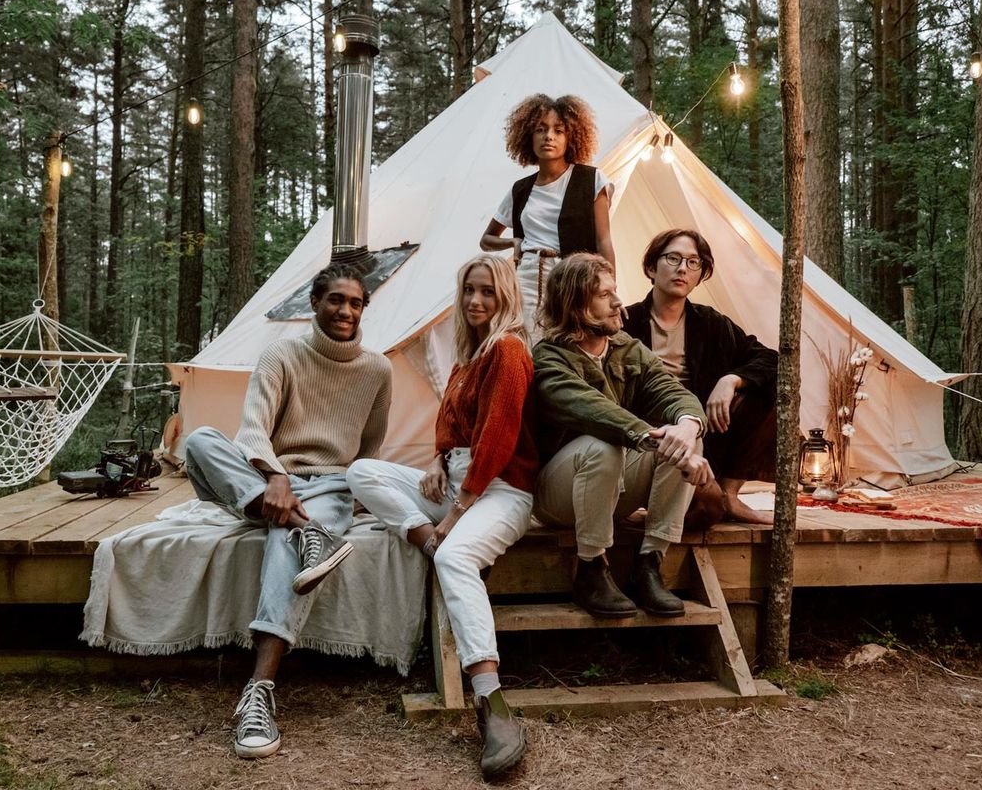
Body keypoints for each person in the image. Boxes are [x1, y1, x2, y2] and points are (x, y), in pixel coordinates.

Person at [182, 263, 392, 759]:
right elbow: (253, 429)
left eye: (355, 302)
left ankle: (259, 692)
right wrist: (276, 476)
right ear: (314, 304)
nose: (345, 310)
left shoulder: (378, 370)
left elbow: (369, 447)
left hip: (329, 484)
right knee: (200, 441)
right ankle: (309, 531)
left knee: (284, 545)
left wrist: (353, 488)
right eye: (335, 300)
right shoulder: (282, 353)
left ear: (364, 309)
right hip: (267, 478)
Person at [347, 254, 537, 780]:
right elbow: (448, 424)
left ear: (505, 297)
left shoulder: (509, 350)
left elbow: (498, 439)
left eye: (487, 293)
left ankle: (491, 703)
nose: (476, 301)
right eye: (470, 291)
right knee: (363, 472)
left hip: (499, 489)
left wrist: (457, 513)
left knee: (455, 556)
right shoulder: (467, 356)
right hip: (454, 481)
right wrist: (435, 460)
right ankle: (423, 536)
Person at [531, 253, 713, 619]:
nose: (618, 302)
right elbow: (597, 413)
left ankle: (650, 563)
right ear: (576, 305)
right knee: (605, 445)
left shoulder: (627, 349)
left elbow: (673, 392)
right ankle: (591, 568)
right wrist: (661, 443)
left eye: (615, 291)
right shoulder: (549, 358)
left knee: (686, 436)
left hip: (614, 490)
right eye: (604, 295)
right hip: (557, 496)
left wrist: (688, 427)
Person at [623, 229, 779, 526]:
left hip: (698, 431)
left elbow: (769, 359)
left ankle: (729, 494)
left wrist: (732, 379)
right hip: (644, 438)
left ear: (700, 274)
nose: (683, 268)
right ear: (651, 267)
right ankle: (636, 504)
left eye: (693, 263)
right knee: (703, 508)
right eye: (673, 258)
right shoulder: (626, 323)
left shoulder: (710, 323)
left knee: (769, 391)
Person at [479, 93, 615, 330]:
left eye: (558, 130)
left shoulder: (591, 179)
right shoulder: (520, 190)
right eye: (540, 129)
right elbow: (486, 240)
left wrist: (611, 290)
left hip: (574, 277)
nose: (549, 136)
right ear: (528, 136)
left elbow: (603, 241)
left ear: (570, 136)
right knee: (526, 342)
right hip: (528, 276)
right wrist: (514, 242)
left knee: (570, 342)